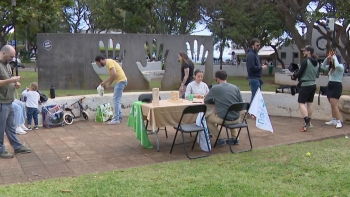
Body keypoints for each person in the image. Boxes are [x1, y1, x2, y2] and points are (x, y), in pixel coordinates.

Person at [0, 45, 32, 159]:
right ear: (4, 53)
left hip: (9, 101)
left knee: (11, 127)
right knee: (1, 127)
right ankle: (1, 150)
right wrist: (11, 80)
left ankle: (17, 147)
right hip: (1, 102)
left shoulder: (8, 66)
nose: (12, 59)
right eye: (10, 56)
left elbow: (8, 80)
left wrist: (15, 84)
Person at [204, 70, 243, 146]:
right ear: (226, 77)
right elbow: (240, 102)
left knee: (207, 119)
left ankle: (220, 139)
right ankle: (235, 138)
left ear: (217, 78)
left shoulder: (215, 88)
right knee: (231, 111)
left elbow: (206, 100)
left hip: (225, 119)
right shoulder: (236, 88)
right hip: (237, 118)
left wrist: (215, 100)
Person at [291, 45, 319, 132]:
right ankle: (309, 122)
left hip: (305, 84)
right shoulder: (317, 63)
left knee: (301, 103)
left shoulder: (305, 61)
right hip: (313, 84)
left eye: (305, 51)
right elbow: (317, 75)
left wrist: (294, 75)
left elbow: (300, 73)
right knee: (310, 103)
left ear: (309, 52)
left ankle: (306, 121)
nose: (303, 52)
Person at [95, 55, 128, 125]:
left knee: (116, 100)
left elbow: (114, 74)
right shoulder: (109, 63)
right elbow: (112, 75)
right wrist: (104, 82)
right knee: (117, 100)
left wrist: (109, 84)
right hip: (120, 81)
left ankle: (116, 119)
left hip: (120, 81)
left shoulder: (109, 62)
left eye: (98, 63)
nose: (99, 65)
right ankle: (119, 117)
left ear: (100, 60)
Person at [321, 50, 344, 128]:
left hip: (336, 86)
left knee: (334, 105)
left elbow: (337, 66)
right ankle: (333, 119)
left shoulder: (340, 66)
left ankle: (339, 121)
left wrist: (334, 57)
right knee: (332, 105)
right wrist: (327, 59)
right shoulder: (331, 68)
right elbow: (322, 67)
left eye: (332, 59)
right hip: (330, 85)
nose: (331, 60)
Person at [246, 38, 268, 104]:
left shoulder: (255, 54)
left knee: (256, 97)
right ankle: (251, 112)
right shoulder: (251, 55)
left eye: (259, 45)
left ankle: (253, 112)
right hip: (254, 78)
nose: (258, 47)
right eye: (257, 45)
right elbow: (251, 68)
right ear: (252, 45)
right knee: (255, 97)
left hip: (257, 78)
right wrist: (261, 67)